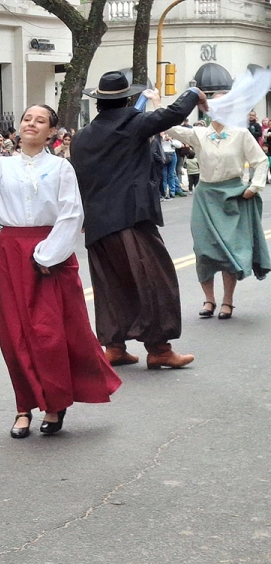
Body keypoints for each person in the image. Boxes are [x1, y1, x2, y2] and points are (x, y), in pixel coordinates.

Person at [0, 105, 122, 437]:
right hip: (11, 252)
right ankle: (23, 406)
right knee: (15, 333)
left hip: (49, 253)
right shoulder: (1, 164)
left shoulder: (61, 168)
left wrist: (48, 255)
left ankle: (56, 404)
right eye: (28, 119)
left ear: (51, 132)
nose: (32, 124)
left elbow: (72, 214)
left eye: (40, 121)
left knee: (51, 332)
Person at [71, 72, 206, 369]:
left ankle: (114, 346)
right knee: (154, 281)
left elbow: (77, 180)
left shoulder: (81, 137)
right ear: (126, 98)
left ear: (99, 104)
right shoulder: (132, 124)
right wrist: (193, 91)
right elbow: (172, 113)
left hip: (97, 224)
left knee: (110, 286)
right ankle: (159, 348)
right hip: (130, 218)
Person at [165, 98, 270, 320]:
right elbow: (166, 126)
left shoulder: (241, 134)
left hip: (232, 194)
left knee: (227, 251)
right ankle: (209, 300)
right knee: (203, 249)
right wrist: (157, 103)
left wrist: (254, 186)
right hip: (205, 196)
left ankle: (227, 301)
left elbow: (260, 161)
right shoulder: (198, 134)